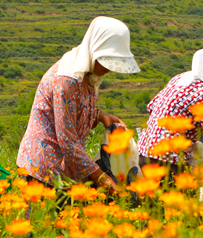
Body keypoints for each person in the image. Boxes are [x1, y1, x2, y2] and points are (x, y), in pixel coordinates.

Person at [17, 16, 140, 195]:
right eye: (107, 61)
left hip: (64, 171)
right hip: (42, 170)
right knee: (40, 222)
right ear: (94, 49)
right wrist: (100, 177)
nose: (110, 68)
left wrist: (99, 115)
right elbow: (67, 142)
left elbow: (75, 109)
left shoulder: (87, 73)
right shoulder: (67, 80)